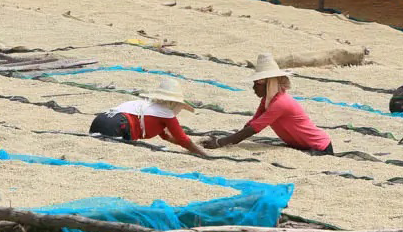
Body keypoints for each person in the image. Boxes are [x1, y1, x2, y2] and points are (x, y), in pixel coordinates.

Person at [202, 53, 333, 154]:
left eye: (257, 84)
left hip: (319, 147)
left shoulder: (281, 103)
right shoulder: (267, 100)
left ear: (269, 83)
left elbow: (255, 128)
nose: (254, 87)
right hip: (300, 146)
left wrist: (220, 142)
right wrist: (229, 139)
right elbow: (252, 123)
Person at [89, 77, 210, 157]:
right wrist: (204, 155)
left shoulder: (146, 106)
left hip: (100, 120)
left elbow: (166, 136)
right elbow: (183, 139)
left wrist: (192, 147)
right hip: (118, 125)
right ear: (174, 103)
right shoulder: (166, 113)